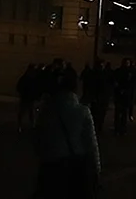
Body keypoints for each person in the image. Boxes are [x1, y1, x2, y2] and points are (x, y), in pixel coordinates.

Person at [31, 68, 99, 198]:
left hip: (50, 165)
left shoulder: (47, 111)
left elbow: (37, 139)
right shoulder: (82, 111)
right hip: (75, 166)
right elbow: (91, 144)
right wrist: (96, 170)